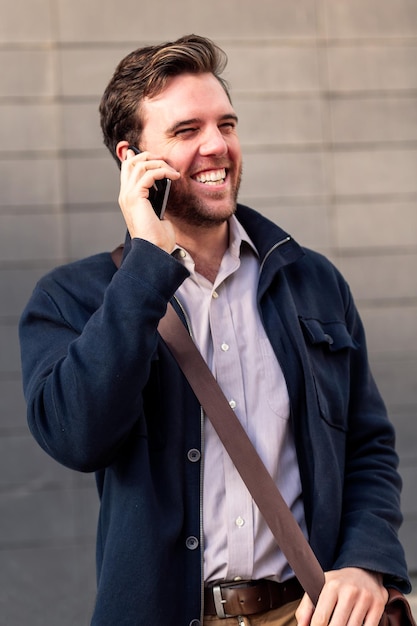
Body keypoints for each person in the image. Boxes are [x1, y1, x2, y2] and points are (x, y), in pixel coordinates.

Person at [19, 34, 411, 626]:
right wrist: (147, 266)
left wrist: (366, 561)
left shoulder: (311, 281)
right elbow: (77, 436)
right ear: (131, 160)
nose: (217, 146)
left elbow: (367, 445)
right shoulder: (72, 298)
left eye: (225, 124)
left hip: (307, 613)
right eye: (185, 131)